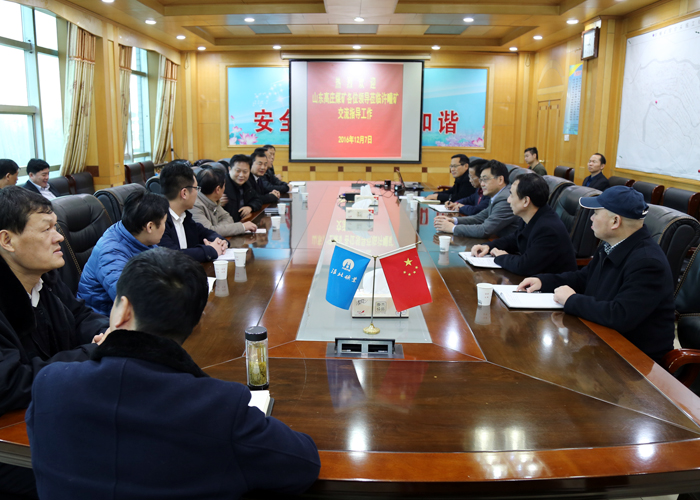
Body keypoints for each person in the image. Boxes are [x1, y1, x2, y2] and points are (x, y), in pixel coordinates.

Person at [27, 247, 321, 499]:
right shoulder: (219, 407)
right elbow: (304, 463)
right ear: (195, 323)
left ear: (123, 310)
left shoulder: (50, 386)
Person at [0, 187, 109, 499]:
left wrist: (108, 332)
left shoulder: (43, 276)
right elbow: (9, 383)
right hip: (11, 444)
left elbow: (80, 315)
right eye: (46, 229)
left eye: (57, 227)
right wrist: (94, 351)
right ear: (7, 240)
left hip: (53, 411)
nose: (59, 237)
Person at [516, 186, 675, 364]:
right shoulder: (611, 245)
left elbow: (620, 315)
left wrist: (571, 300)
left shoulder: (648, 263)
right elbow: (584, 278)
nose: (591, 218)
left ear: (615, 221)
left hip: (634, 360)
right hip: (603, 341)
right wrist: (543, 281)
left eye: (596, 213)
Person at [77, 191, 169, 315]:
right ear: (150, 227)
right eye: (164, 222)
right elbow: (132, 301)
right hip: (102, 319)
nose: (165, 227)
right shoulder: (110, 254)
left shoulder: (135, 235)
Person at [470, 174, 577, 275]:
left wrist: (501, 257)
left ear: (525, 201)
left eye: (512, 195)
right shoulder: (532, 215)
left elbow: (524, 266)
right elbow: (515, 239)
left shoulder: (548, 229)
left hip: (555, 285)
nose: (508, 200)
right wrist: (488, 246)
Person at [158, 161, 228, 262]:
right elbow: (172, 256)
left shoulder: (185, 216)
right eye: (196, 188)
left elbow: (207, 233)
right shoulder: (159, 220)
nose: (197, 193)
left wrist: (220, 243)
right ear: (184, 193)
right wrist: (210, 250)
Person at [434, 160, 519, 238]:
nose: (482, 184)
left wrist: (452, 228)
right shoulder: (498, 195)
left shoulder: (505, 199)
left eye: (485, 179)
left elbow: (484, 230)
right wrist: (454, 220)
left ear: (500, 179)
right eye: (481, 180)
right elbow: (479, 218)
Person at [191, 165, 257, 237]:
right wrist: (242, 227)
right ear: (218, 189)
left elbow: (228, 218)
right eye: (224, 185)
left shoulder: (213, 200)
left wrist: (217, 228)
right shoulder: (194, 205)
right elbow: (208, 231)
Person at [224, 154, 262, 222]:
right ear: (229, 169)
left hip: (243, 222)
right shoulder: (222, 185)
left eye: (245, 172)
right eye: (238, 171)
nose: (241, 175)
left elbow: (257, 199)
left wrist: (250, 207)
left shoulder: (246, 184)